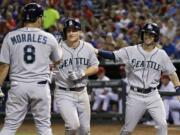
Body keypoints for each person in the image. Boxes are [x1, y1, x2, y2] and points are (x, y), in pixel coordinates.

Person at [95, 22, 180, 135]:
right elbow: (113, 55)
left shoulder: (161, 54)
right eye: (145, 33)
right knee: (128, 130)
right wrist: (97, 51)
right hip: (135, 95)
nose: (147, 36)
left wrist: (178, 89)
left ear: (155, 37)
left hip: (153, 95)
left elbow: (172, 74)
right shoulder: (131, 50)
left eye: (151, 34)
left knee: (162, 124)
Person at [0, 3, 62, 135]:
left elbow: (4, 65)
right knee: (44, 127)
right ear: (39, 18)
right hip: (40, 86)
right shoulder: (49, 38)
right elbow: (58, 61)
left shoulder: (10, 37)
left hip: (18, 86)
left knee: (10, 126)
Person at [53, 18, 99, 135]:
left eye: (74, 30)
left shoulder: (88, 47)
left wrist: (82, 73)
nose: (71, 33)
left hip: (82, 92)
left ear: (79, 32)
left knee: (85, 130)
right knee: (73, 126)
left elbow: (95, 67)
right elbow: (48, 65)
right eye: (68, 31)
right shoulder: (58, 48)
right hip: (64, 92)